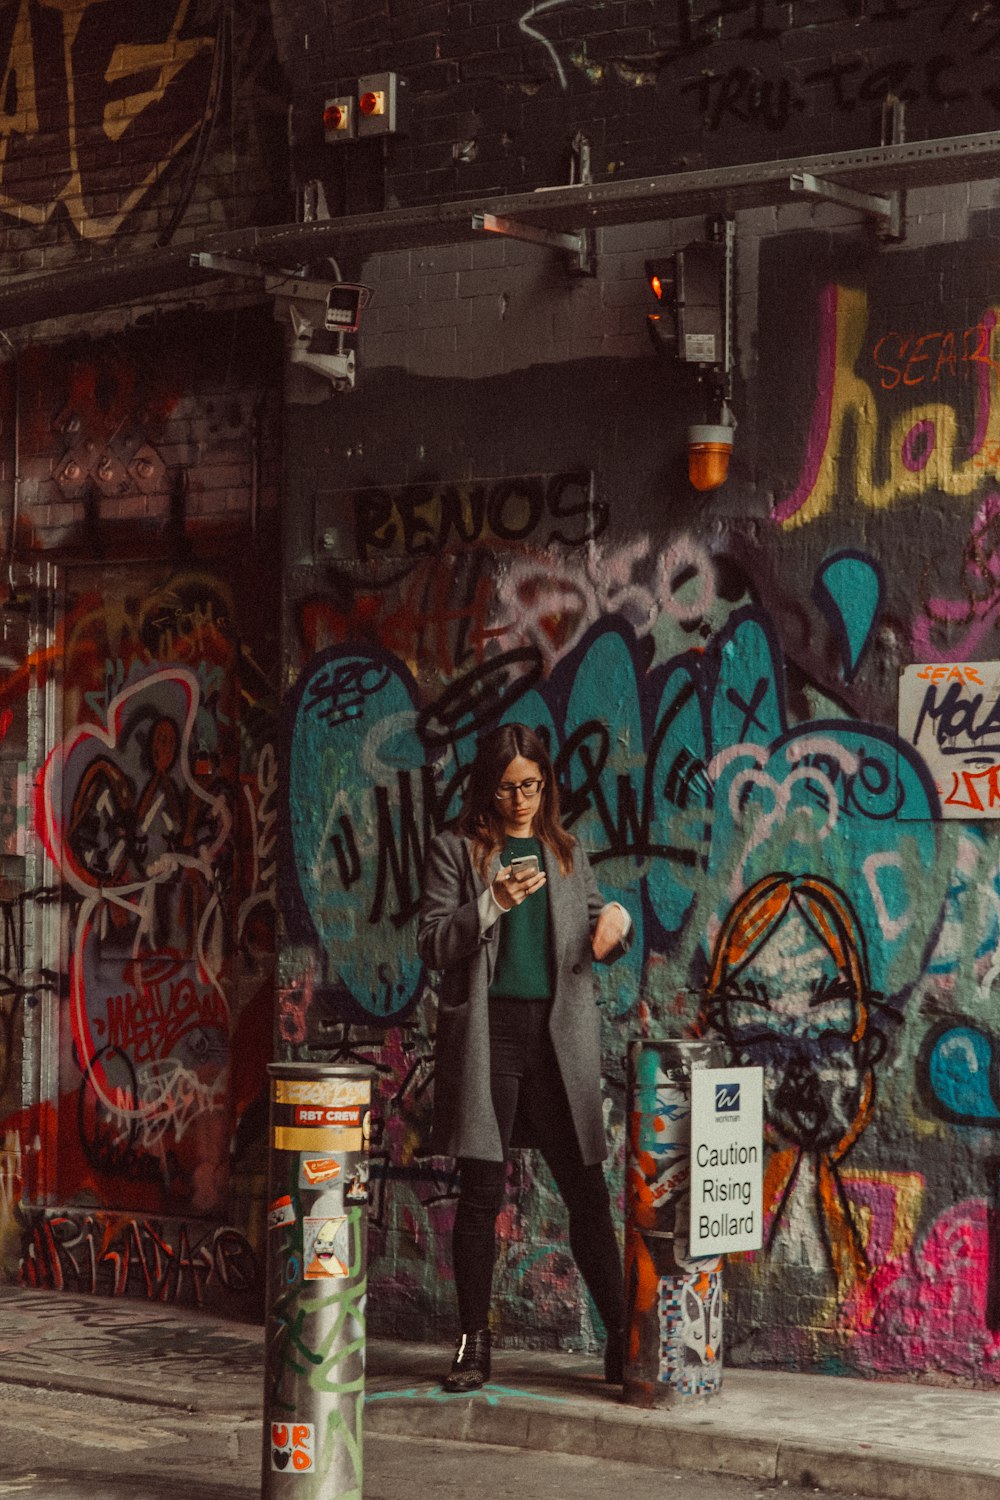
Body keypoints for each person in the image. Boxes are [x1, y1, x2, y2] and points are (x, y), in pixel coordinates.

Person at [417, 721, 633, 1393]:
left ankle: (624, 1339)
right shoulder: (456, 850)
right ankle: (473, 1345)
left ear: (546, 784)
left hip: (558, 1040)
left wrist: (616, 929)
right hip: (490, 1036)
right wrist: (489, 904)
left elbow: (597, 930)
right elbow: (430, 943)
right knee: (481, 1194)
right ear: (488, 788)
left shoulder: (566, 853)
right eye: (508, 788)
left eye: (531, 786)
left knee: (589, 1193)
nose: (520, 800)